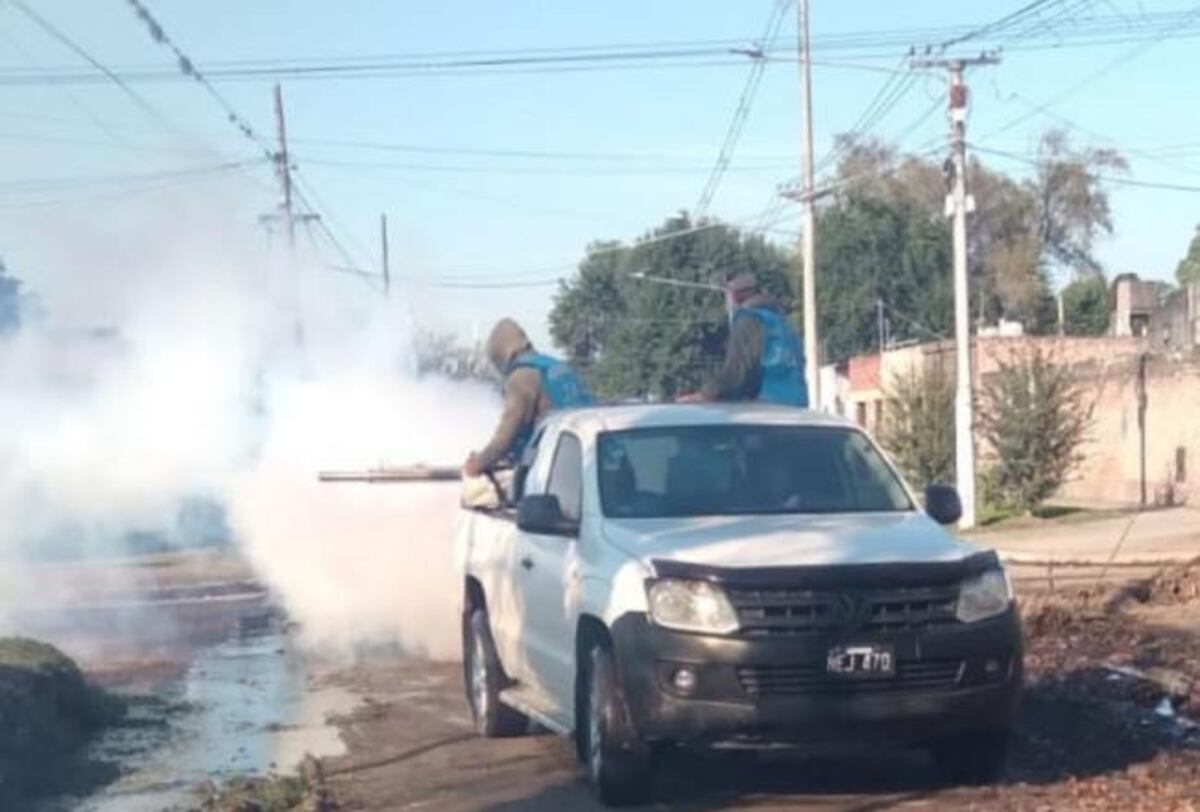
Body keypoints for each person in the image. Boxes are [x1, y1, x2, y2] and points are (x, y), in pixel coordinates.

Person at [463, 318, 594, 477]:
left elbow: (506, 435)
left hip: (557, 470)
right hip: (586, 456)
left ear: (502, 355)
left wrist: (479, 462)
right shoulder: (557, 367)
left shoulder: (522, 377)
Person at [681, 273, 808, 407]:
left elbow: (735, 372)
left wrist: (706, 394)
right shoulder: (780, 322)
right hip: (796, 407)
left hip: (767, 408)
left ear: (736, 295)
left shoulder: (749, 321)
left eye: (727, 294)